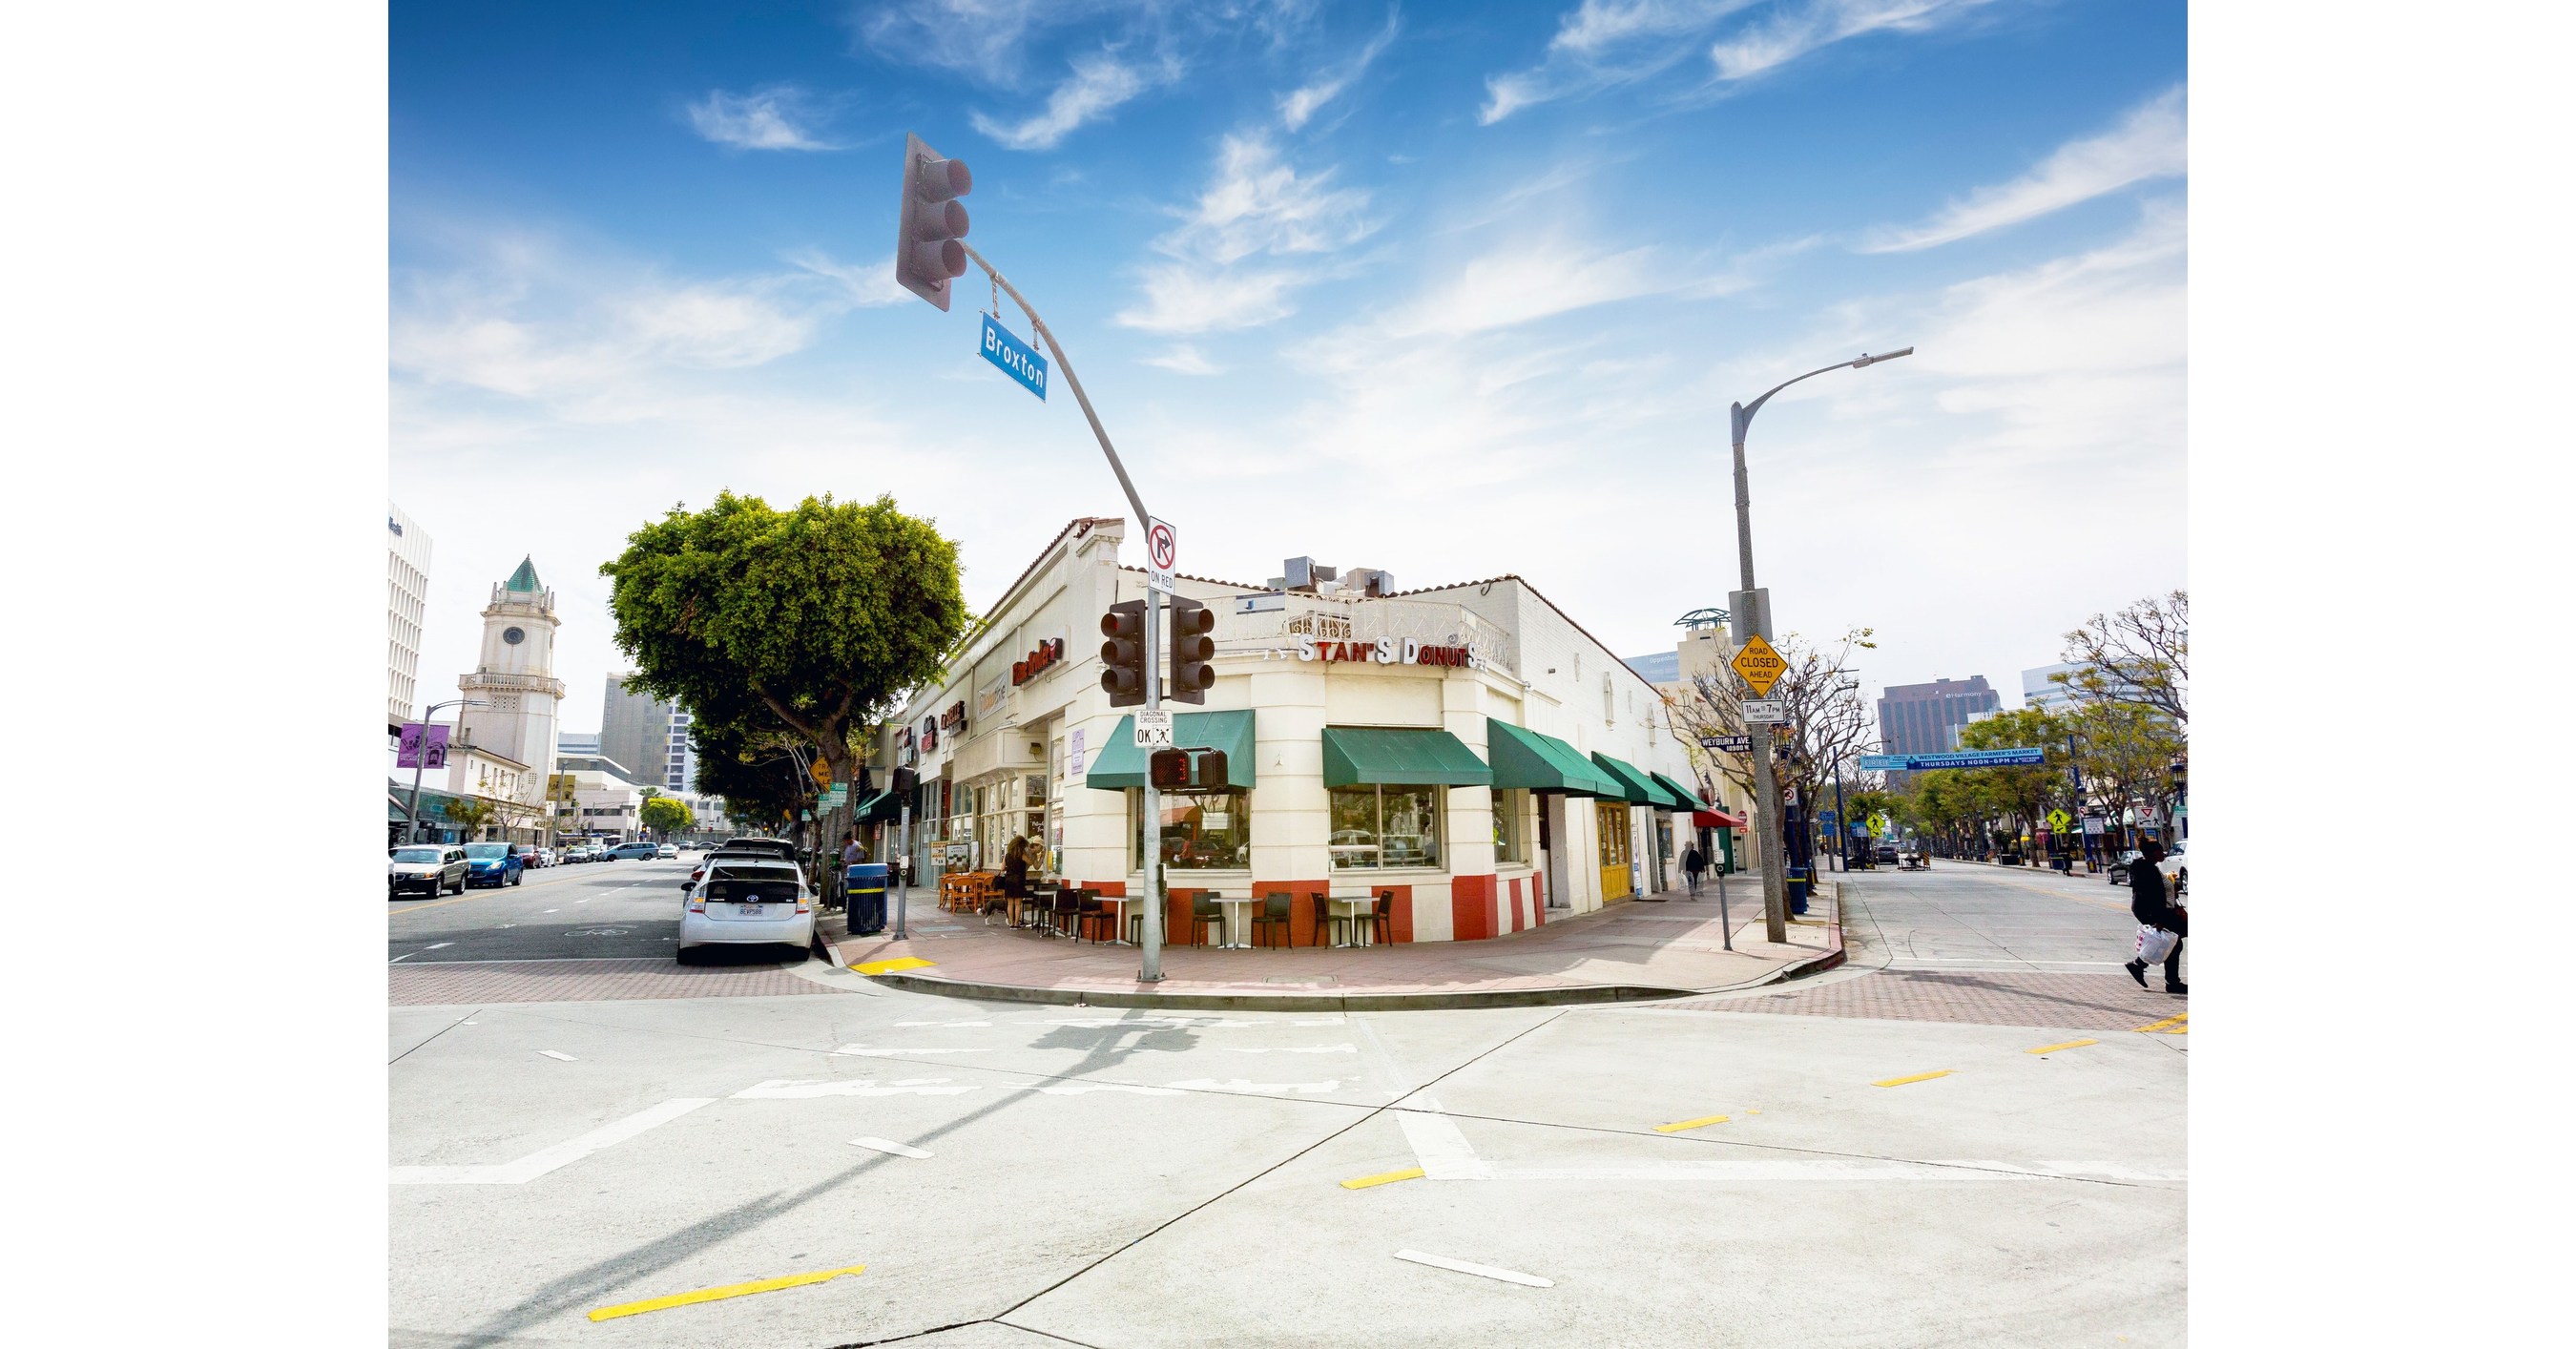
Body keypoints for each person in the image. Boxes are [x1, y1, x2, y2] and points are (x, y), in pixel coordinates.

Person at [2124, 839, 2187, 995]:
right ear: (2152, 853)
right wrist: (2158, 919)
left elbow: (2162, 892)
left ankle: (2140, 966)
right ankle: (2171, 982)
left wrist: (2175, 898)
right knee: (2174, 943)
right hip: (2156, 913)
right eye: (2159, 850)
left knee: (2174, 943)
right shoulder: (2144, 869)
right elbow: (2149, 896)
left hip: (2164, 912)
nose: (2163, 853)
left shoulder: (2152, 868)